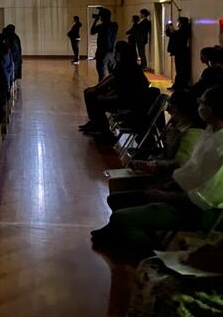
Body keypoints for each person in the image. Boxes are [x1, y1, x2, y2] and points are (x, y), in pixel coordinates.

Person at [92, 85, 223, 261]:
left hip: (196, 210)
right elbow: (189, 171)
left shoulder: (216, 143)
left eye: (202, 102)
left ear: (212, 109)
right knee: (118, 201)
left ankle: (153, 258)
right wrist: (168, 186)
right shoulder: (210, 132)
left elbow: (204, 198)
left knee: (121, 217)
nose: (199, 105)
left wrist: (165, 194)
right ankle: (117, 236)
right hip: (181, 195)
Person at [106, 89, 206, 211]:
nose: (168, 109)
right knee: (117, 188)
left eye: (171, 105)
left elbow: (179, 165)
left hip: (169, 184)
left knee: (117, 194)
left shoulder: (192, 134)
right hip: (165, 178)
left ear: (179, 108)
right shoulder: (179, 128)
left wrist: (153, 165)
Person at [80, 41, 150, 139]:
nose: (115, 54)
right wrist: (96, 89)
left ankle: (103, 130)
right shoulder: (125, 65)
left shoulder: (128, 67)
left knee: (97, 100)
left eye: (117, 52)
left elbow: (119, 86)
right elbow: (112, 80)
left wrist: (98, 91)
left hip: (130, 101)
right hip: (126, 96)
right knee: (90, 93)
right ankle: (95, 123)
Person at [90, 7, 118, 81]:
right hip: (112, 53)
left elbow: (92, 31)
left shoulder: (101, 27)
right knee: (112, 76)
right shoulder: (115, 25)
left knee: (102, 77)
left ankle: (102, 88)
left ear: (102, 17)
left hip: (102, 54)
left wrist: (96, 20)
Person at [166, 16, 192, 89]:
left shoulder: (184, 31)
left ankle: (179, 86)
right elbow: (171, 34)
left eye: (178, 22)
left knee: (180, 70)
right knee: (179, 70)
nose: (177, 23)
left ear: (181, 23)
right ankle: (177, 85)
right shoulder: (183, 30)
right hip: (180, 52)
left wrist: (171, 29)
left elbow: (174, 35)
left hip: (181, 53)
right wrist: (169, 29)